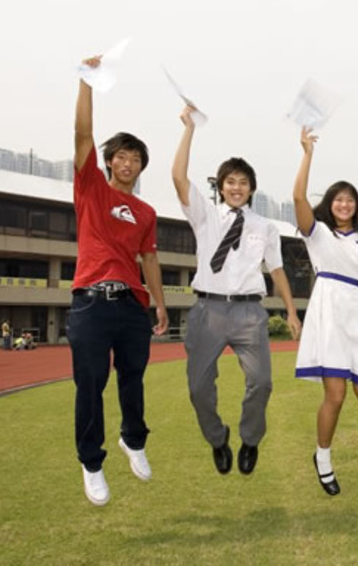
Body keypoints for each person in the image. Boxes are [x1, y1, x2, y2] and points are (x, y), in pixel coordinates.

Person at [172, 105, 301, 477]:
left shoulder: (265, 226)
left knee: (261, 382)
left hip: (248, 312)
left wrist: (291, 312)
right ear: (220, 185)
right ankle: (217, 438)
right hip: (208, 311)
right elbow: (178, 176)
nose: (237, 187)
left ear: (252, 189)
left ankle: (249, 439)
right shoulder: (204, 215)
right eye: (230, 181)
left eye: (243, 182)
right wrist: (188, 129)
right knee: (198, 388)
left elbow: (276, 269)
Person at [68, 55, 169, 506]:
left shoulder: (146, 212)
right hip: (90, 301)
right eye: (121, 156)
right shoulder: (91, 187)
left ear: (141, 167)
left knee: (133, 378)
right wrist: (87, 81)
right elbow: (82, 135)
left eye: (136, 158)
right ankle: (92, 462)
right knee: (91, 382)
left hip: (131, 305)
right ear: (109, 161)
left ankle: (134, 439)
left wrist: (160, 303)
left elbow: (149, 257)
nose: (128, 163)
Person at [293, 127, 358, 496]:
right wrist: (307, 153)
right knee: (334, 395)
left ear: (357, 205)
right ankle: (323, 457)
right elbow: (298, 196)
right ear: (331, 204)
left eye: (350, 200)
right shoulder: (317, 232)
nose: (344, 205)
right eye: (338, 199)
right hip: (329, 315)